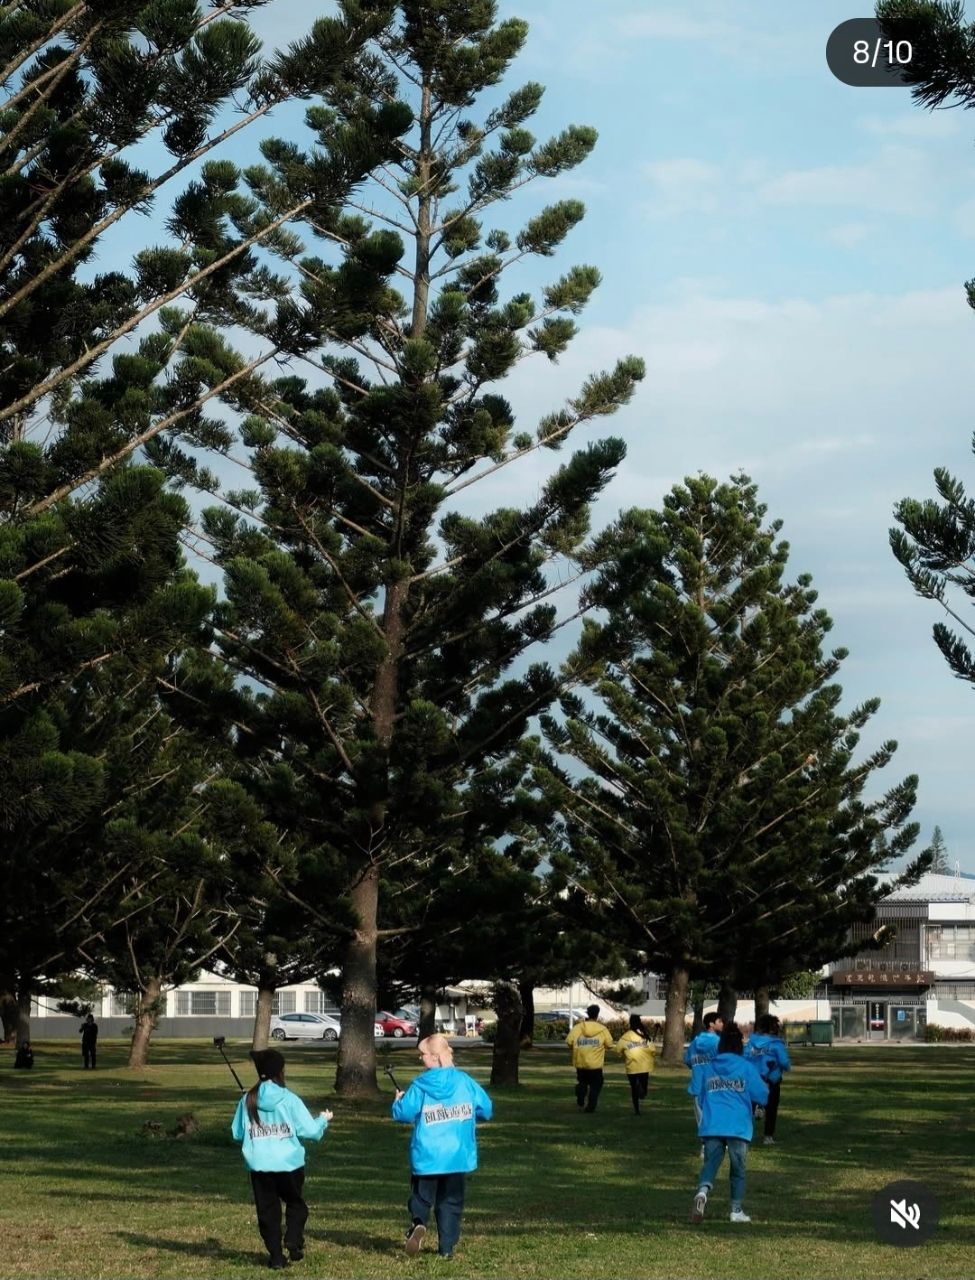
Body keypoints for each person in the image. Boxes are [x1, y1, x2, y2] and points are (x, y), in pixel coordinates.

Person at [391, 1033, 492, 1261]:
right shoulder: (465, 1081)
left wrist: (398, 1102)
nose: (420, 1058)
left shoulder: (420, 1085)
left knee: (421, 1196)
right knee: (451, 1202)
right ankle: (446, 1247)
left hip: (428, 1155)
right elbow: (486, 1109)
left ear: (435, 1057)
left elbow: (404, 1114)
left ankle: (418, 1222)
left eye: (422, 1054)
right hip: (457, 1155)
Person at [231, 1047, 332, 1270]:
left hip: (259, 1167)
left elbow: (237, 1133)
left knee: (268, 1212)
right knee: (296, 1204)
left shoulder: (248, 1100)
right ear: (280, 1071)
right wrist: (323, 1120)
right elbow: (311, 1131)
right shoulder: (289, 1099)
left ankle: (276, 1256)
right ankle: (293, 1238)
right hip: (289, 1165)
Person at [688, 1022, 768, 1225]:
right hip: (737, 1125)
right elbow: (762, 1094)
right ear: (739, 1045)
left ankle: (702, 1192)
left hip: (713, 1124)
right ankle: (736, 1210)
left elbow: (701, 1096)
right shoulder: (746, 1067)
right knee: (737, 1169)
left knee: (711, 1163)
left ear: (721, 1044)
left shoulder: (710, 1067)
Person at [744, 1013, 791, 1144]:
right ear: (773, 1028)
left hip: (753, 1079)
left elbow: (744, 1057)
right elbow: (783, 1061)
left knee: (749, 1107)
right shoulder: (776, 1044)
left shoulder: (751, 1043)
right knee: (772, 1108)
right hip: (772, 1080)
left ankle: (745, 1134)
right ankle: (768, 1136)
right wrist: (787, 1067)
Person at [566, 1004, 615, 1113]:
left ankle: (580, 1093)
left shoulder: (578, 1028)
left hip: (581, 1063)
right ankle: (591, 1106)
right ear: (597, 1015)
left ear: (587, 1014)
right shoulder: (602, 1029)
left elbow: (569, 1042)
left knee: (582, 1081)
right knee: (596, 1085)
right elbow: (609, 1044)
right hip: (595, 1065)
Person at [684, 1011, 724, 1132]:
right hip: (715, 1085)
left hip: (698, 1085)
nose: (722, 1024)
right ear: (711, 1024)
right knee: (716, 1116)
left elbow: (688, 1060)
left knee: (701, 1118)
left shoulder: (695, 1042)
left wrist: (699, 1066)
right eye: (719, 1021)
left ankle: (704, 1141)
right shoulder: (719, 1043)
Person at [615, 1014, 656, 1115]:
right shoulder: (644, 1035)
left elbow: (617, 1050)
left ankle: (637, 1110)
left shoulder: (625, 1037)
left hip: (632, 1066)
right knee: (644, 1090)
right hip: (644, 1066)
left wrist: (623, 1054)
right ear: (639, 1022)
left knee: (633, 1089)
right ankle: (641, 1090)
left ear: (630, 1023)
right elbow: (653, 1050)